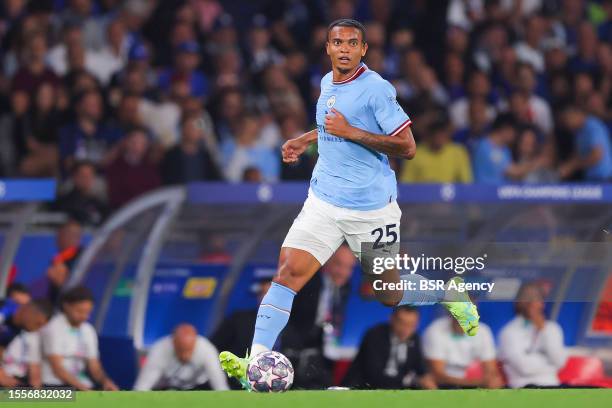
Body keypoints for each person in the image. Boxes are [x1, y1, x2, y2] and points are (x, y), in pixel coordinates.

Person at [219, 19, 480, 391]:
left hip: (370, 210)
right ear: (327, 48)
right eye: (337, 42)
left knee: (388, 294)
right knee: (288, 273)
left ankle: (448, 292)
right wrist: (305, 139)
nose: (343, 48)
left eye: (352, 43)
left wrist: (350, 132)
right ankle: (256, 361)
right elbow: (333, 126)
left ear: (363, 50)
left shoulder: (376, 89)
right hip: (323, 201)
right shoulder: (327, 83)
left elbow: (407, 147)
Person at [41, 286, 118, 390]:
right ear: (66, 306)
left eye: (87, 312)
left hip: (81, 385)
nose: (84, 316)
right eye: (79, 311)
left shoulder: (88, 330)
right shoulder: (53, 328)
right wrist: (84, 390)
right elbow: (58, 369)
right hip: (53, 386)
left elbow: (94, 365)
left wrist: (105, 381)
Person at [343, 306, 436, 389]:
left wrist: (427, 380)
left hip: (397, 391)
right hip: (363, 389)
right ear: (392, 319)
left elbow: (421, 368)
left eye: (411, 325)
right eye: (402, 323)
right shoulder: (375, 335)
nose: (406, 329)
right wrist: (410, 381)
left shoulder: (415, 339)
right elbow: (374, 374)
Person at [498, 282, 568, 388]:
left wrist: (543, 330)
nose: (533, 303)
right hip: (523, 388)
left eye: (537, 299)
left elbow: (559, 362)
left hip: (553, 386)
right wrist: (548, 363)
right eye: (528, 299)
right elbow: (524, 368)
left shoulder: (552, 328)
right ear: (519, 303)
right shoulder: (509, 332)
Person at [134, 324, 228, 391]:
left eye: (188, 350)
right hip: (167, 387)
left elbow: (220, 386)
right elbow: (142, 387)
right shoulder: (159, 350)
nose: (185, 356)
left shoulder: (207, 350)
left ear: (195, 343)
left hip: (199, 386)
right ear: (173, 342)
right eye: (181, 350)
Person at [423, 314, 503, 389]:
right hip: (444, 385)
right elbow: (438, 375)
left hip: (475, 384)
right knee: (429, 383)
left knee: (495, 382)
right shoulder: (435, 330)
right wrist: (475, 382)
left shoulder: (483, 330)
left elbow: (491, 370)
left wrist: (489, 380)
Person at [400, 119, 473, 183]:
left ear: (446, 134)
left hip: (451, 197)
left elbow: (466, 182)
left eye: (441, 133)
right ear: (428, 136)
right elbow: (406, 184)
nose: (438, 137)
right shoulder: (415, 154)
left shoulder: (458, 152)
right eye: (435, 133)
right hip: (422, 197)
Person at [30, 220, 83, 305]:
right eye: (64, 234)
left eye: (75, 235)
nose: (73, 238)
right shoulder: (60, 258)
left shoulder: (81, 257)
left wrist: (61, 282)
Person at [0, 299, 52, 388]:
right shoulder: (4, 312)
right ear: (28, 312)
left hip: (15, 382)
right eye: (38, 324)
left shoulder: (30, 333)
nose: (38, 329)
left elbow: (35, 374)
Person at [558, 104, 612, 181]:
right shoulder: (578, 133)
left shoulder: (593, 126)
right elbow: (577, 155)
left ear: (576, 114)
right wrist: (565, 167)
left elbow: (597, 155)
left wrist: (574, 166)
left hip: (605, 178)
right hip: (591, 179)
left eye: (567, 119)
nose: (567, 124)